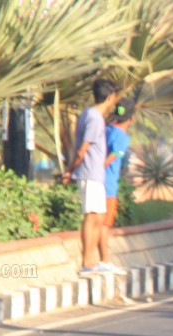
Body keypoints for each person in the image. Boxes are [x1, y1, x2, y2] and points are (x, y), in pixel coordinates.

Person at [63, 78, 118, 274]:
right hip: (90, 173)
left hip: (96, 175)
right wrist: (70, 170)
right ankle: (87, 262)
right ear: (110, 97)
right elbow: (82, 149)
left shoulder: (90, 115)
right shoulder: (94, 118)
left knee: (98, 217)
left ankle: (91, 261)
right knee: (92, 217)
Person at [96, 96, 134, 275]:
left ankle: (97, 260)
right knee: (104, 225)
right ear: (131, 119)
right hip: (108, 186)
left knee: (94, 223)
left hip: (96, 183)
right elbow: (110, 159)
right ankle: (104, 260)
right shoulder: (122, 138)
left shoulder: (105, 130)